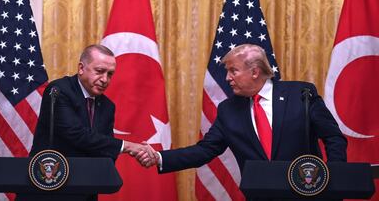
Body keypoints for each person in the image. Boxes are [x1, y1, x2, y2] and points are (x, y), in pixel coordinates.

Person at [137, 44, 347, 200]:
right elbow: (205, 150)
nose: (227, 78)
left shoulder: (301, 94)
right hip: (260, 195)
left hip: (308, 193)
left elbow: (333, 137)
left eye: (233, 71)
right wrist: (159, 157)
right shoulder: (229, 110)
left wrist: (333, 179)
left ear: (255, 71)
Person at [19, 44, 149, 201]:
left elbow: (106, 152)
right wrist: (127, 146)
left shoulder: (108, 106)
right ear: (81, 68)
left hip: (85, 191)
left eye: (110, 74)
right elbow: (75, 134)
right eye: (100, 71)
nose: (105, 79)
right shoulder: (58, 91)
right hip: (47, 187)